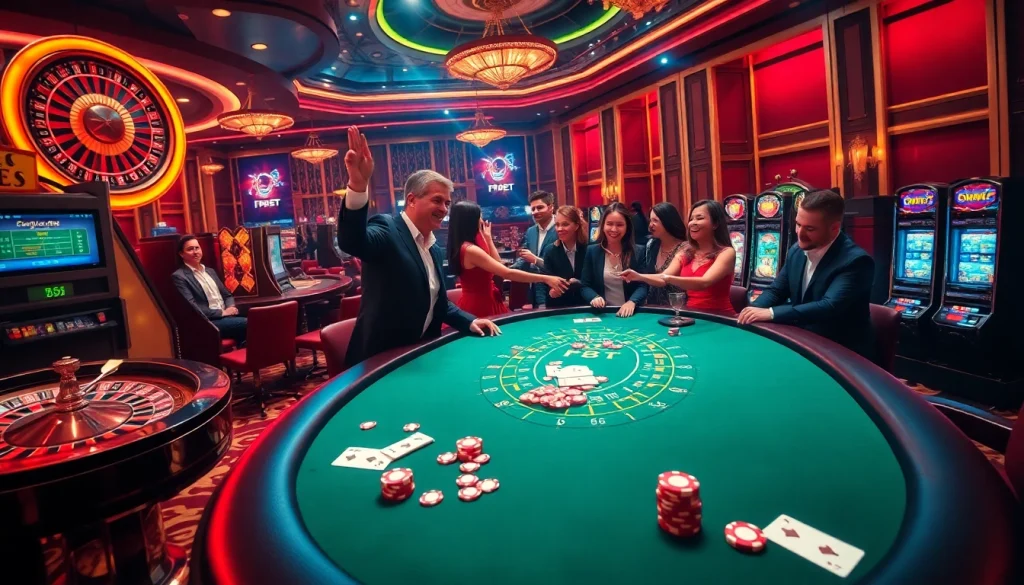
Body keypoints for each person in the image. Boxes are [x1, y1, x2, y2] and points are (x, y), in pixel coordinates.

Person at [337, 126, 501, 366]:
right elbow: (352, 241)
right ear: (411, 200)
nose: (444, 209)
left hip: (421, 354)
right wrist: (358, 186)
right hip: (381, 362)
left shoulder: (433, 248)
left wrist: (469, 320)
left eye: (447, 203)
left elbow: (439, 304)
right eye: (437, 200)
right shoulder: (387, 228)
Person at [737, 189, 875, 359]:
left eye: (809, 228)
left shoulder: (856, 261)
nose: (800, 234)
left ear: (834, 228)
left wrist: (771, 313)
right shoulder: (796, 251)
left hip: (843, 354)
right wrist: (753, 310)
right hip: (803, 341)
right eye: (798, 224)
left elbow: (828, 307)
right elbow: (776, 291)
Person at [447, 201, 569, 319]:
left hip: (488, 298)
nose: (481, 220)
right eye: (480, 217)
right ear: (470, 220)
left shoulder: (471, 243)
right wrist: (546, 279)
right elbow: (507, 273)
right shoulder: (470, 249)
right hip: (479, 304)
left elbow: (498, 263)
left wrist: (488, 239)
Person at [623, 200, 737, 315]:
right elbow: (663, 279)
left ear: (715, 223)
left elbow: (704, 282)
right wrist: (638, 276)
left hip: (721, 317)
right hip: (691, 314)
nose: (693, 223)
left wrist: (668, 278)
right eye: (691, 219)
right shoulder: (687, 250)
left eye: (699, 218)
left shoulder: (726, 252)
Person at [172, 235, 248, 343]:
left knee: (260, 316)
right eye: (190, 249)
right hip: (209, 322)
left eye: (197, 248)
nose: (195, 252)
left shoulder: (210, 271)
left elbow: (227, 295)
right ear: (181, 254)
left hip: (226, 316)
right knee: (250, 323)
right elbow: (193, 307)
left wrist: (230, 308)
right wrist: (223, 313)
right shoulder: (179, 276)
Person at [580, 202, 648, 317]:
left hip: (632, 313)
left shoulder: (639, 252)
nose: (614, 229)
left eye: (620, 225)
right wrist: (594, 297)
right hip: (603, 314)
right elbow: (584, 286)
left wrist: (632, 302)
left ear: (627, 226)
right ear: (603, 225)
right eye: (609, 224)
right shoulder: (592, 251)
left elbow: (643, 285)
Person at [510, 191, 558, 308]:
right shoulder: (530, 231)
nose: (535, 212)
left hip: (556, 290)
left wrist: (535, 260)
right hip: (535, 291)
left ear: (551, 207)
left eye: (540, 207)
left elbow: (562, 266)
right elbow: (525, 256)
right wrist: (507, 270)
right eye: (533, 209)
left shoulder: (561, 229)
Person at [538, 206, 589, 308]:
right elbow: (546, 282)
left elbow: (596, 281)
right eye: (557, 225)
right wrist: (551, 292)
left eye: (565, 224)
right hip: (559, 308)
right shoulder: (550, 251)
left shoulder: (589, 249)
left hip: (586, 305)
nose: (560, 229)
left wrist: (578, 283)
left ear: (576, 226)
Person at [642, 202, 688, 306]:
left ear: (668, 222)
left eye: (655, 221)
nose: (650, 225)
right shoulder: (652, 244)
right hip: (653, 306)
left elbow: (664, 278)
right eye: (650, 220)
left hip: (678, 307)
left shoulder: (685, 247)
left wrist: (637, 276)